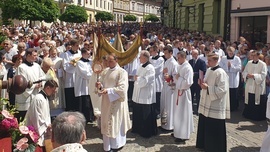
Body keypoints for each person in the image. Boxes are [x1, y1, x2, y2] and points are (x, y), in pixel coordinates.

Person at [96, 53, 131, 152]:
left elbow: (122, 88)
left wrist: (109, 91)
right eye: (107, 61)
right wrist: (99, 86)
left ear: (116, 60)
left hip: (116, 102)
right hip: (106, 102)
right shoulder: (105, 71)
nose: (108, 63)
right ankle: (107, 146)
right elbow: (102, 85)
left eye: (111, 61)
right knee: (106, 122)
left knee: (115, 122)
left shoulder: (122, 72)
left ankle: (116, 144)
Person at [196, 53, 230, 152]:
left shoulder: (221, 72)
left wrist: (208, 88)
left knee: (214, 126)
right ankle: (205, 145)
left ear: (216, 61)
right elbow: (206, 83)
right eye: (207, 60)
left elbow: (222, 90)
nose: (207, 62)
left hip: (215, 104)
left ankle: (215, 148)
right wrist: (201, 83)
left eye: (210, 60)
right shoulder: (209, 70)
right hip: (207, 102)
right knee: (206, 124)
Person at [25, 80, 58, 151]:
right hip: (37, 130)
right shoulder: (38, 99)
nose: (53, 93)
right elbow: (36, 117)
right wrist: (46, 125)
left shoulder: (44, 98)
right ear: (48, 88)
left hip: (44, 130)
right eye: (53, 90)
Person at [132, 50, 157, 138]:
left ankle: (145, 131)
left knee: (145, 112)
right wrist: (137, 78)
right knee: (138, 111)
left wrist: (138, 79)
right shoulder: (141, 66)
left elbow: (147, 81)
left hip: (145, 94)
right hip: (138, 92)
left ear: (145, 58)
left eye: (140, 57)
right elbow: (138, 77)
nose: (139, 58)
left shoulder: (150, 68)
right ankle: (137, 128)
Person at [15, 48, 45, 121]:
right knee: (23, 119)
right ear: (28, 55)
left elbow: (42, 76)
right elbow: (20, 83)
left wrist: (41, 83)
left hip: (35, 94)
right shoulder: (21, 67)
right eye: (34, 55)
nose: (36, 57)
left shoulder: (37, 66)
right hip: (25, 97)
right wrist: (34, 86)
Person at [172, 51, 194, 143]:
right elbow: (177, 77)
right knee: (178, 113)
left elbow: (188, 82)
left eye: (179, 58)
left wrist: (178, 78)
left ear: (183, 57)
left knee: (183, 114)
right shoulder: (180, 66)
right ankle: (177, 131)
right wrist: (174, 82)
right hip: (178, 92)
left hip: (184, 93)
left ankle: (183, 135)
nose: (177, 60)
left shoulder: (188, 67)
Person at [242, 50, 267, 121]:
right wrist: (247, 75)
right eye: (251, 55)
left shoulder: (262, 64)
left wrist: (254, 76)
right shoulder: (249, 63)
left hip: (257, 85)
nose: (252, 57)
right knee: (250, 99)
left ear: (258, 56)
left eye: (254, 55)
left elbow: (263, 74)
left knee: (257, 100)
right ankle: (248, 115)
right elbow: (244, 71)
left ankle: (258, 116)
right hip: (249, 84)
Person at [160, 45, 178, 131]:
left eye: (166, 53)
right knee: (164, 105)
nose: (165, 55)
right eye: (164, 53)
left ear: (171, 53)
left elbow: (176, 77)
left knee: (169, 106)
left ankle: (170, 126)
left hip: (170, 88)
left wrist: (169, 77)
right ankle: (164, 124)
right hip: (165, 86)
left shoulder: (174, 63)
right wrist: (164, 74)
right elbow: (164, 74)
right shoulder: (166, 61)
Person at [75, 48, 95, 122]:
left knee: (89, 100)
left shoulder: (91, 62)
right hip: (82, 84)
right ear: (83, 54)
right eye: (87, 54)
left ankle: (90, 117)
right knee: (83, 101)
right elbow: (85, 73)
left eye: (90, 53)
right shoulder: (79, 63)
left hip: (89, 83)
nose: (89, 55)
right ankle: (82, 118)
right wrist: (93, 74)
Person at [219, 46, 241, 111]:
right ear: (227, 52)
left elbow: (239, 68)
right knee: (226, 92)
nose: (230, 53)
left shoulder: (237, 59)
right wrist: (227, 67)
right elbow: (220, 67)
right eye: (229, 52)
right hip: (226, 77)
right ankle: (226, 106)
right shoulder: (223, 58)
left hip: (234, 78)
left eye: (232, 52)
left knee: (233, 93)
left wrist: (231, 66)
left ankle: (234, 107)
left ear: (234, 52)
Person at [62, 39, 81, 111]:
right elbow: (65, 66)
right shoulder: (66, 54)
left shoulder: (80, 53)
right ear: (72, 46)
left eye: (78, 45)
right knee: (70, 94)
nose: (77, 47)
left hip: (78, 75)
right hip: (70, 77)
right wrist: (72, 63)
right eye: (76, 46)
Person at [189, 49, 206, 114]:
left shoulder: (202, 62)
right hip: (191, 82)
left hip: (198, 81)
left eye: (194, 54)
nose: (193, 55)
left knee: (198, 97)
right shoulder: (190, 61)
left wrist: (195, 73)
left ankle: (199, 110)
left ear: (197, 54)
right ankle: (190, 109)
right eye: (192, 54)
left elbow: (204, 71)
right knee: (191, 96)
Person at [149, 45, 164, 118]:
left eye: (151, 51)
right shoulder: (150, 58)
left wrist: (150, 70)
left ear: (155, 51)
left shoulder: (160, 59)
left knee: (157, 96)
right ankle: (152, 110)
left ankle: (157, 112)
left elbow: (158, 70)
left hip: (157, 79)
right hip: (151, 80)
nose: (150, 52)